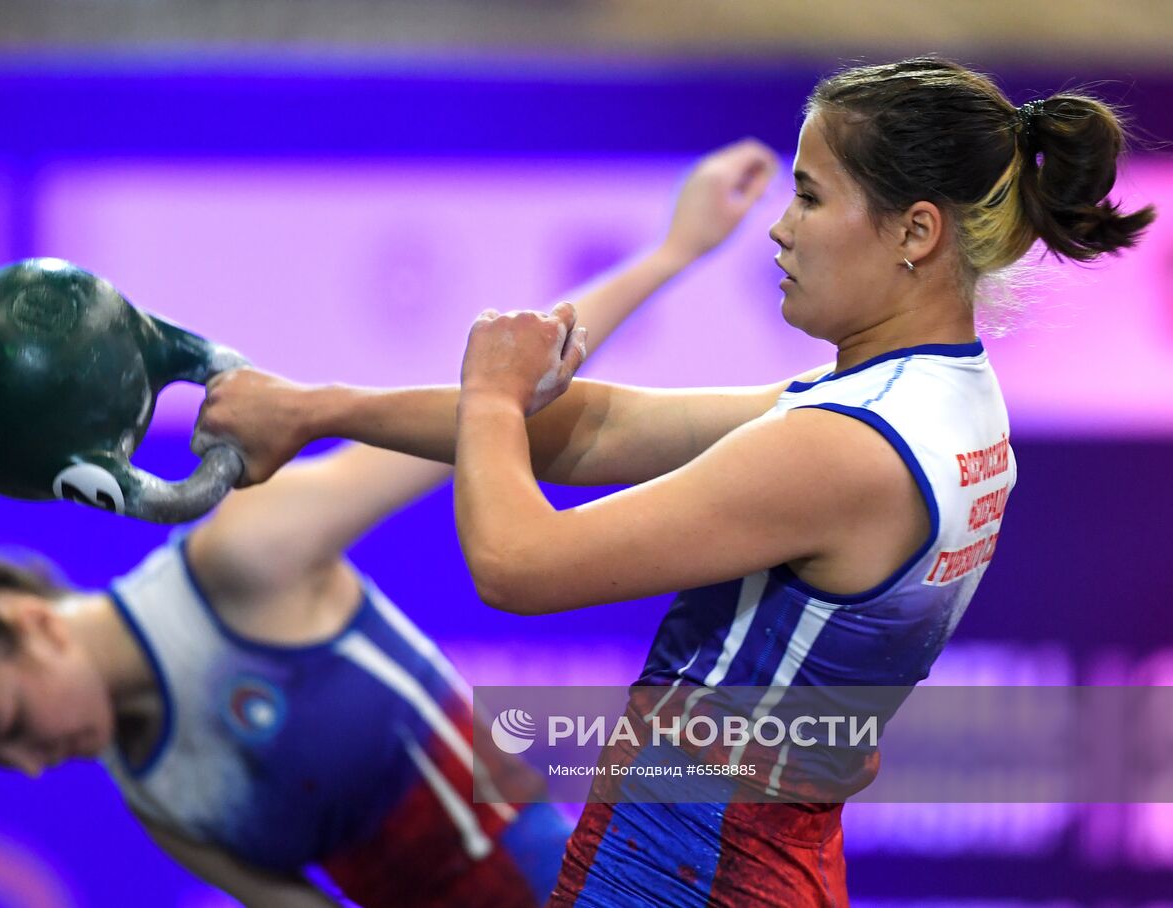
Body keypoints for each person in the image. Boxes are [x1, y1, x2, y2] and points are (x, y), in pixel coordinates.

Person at [190, 57, 1155, 905]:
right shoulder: (933, 400)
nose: (780, 229)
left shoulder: (845, 450)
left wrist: (490, 393)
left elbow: (518, 564)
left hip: (690, 871)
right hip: (752, 854)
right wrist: (315, 409)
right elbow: (605, 426)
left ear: (916, 231)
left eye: (810, 198)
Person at [0, 139, 778, 908]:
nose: (36, 762)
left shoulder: (242, 557)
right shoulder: (156, 793)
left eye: (10, 727)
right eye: (2, 762)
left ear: (27, 621)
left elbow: (496, 399)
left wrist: (674, 250)